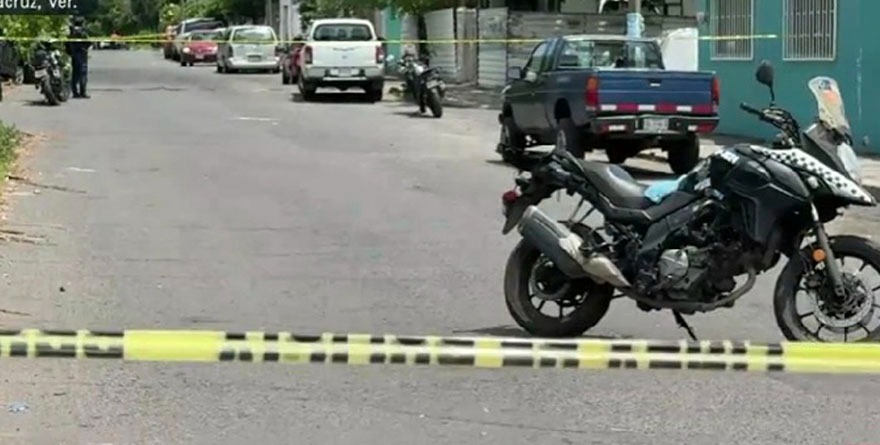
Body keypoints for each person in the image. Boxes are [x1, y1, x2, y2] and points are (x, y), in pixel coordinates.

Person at [65, 16, 91, 99]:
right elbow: (88, 42)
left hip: (74, 54)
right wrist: (85, 48)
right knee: (83, 73)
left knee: (75, 74)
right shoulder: (83, 32)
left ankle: (75, 92)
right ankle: (83, 92)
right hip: (82, 54)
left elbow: (67, 43)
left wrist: (69, 52)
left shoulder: (71, 32)